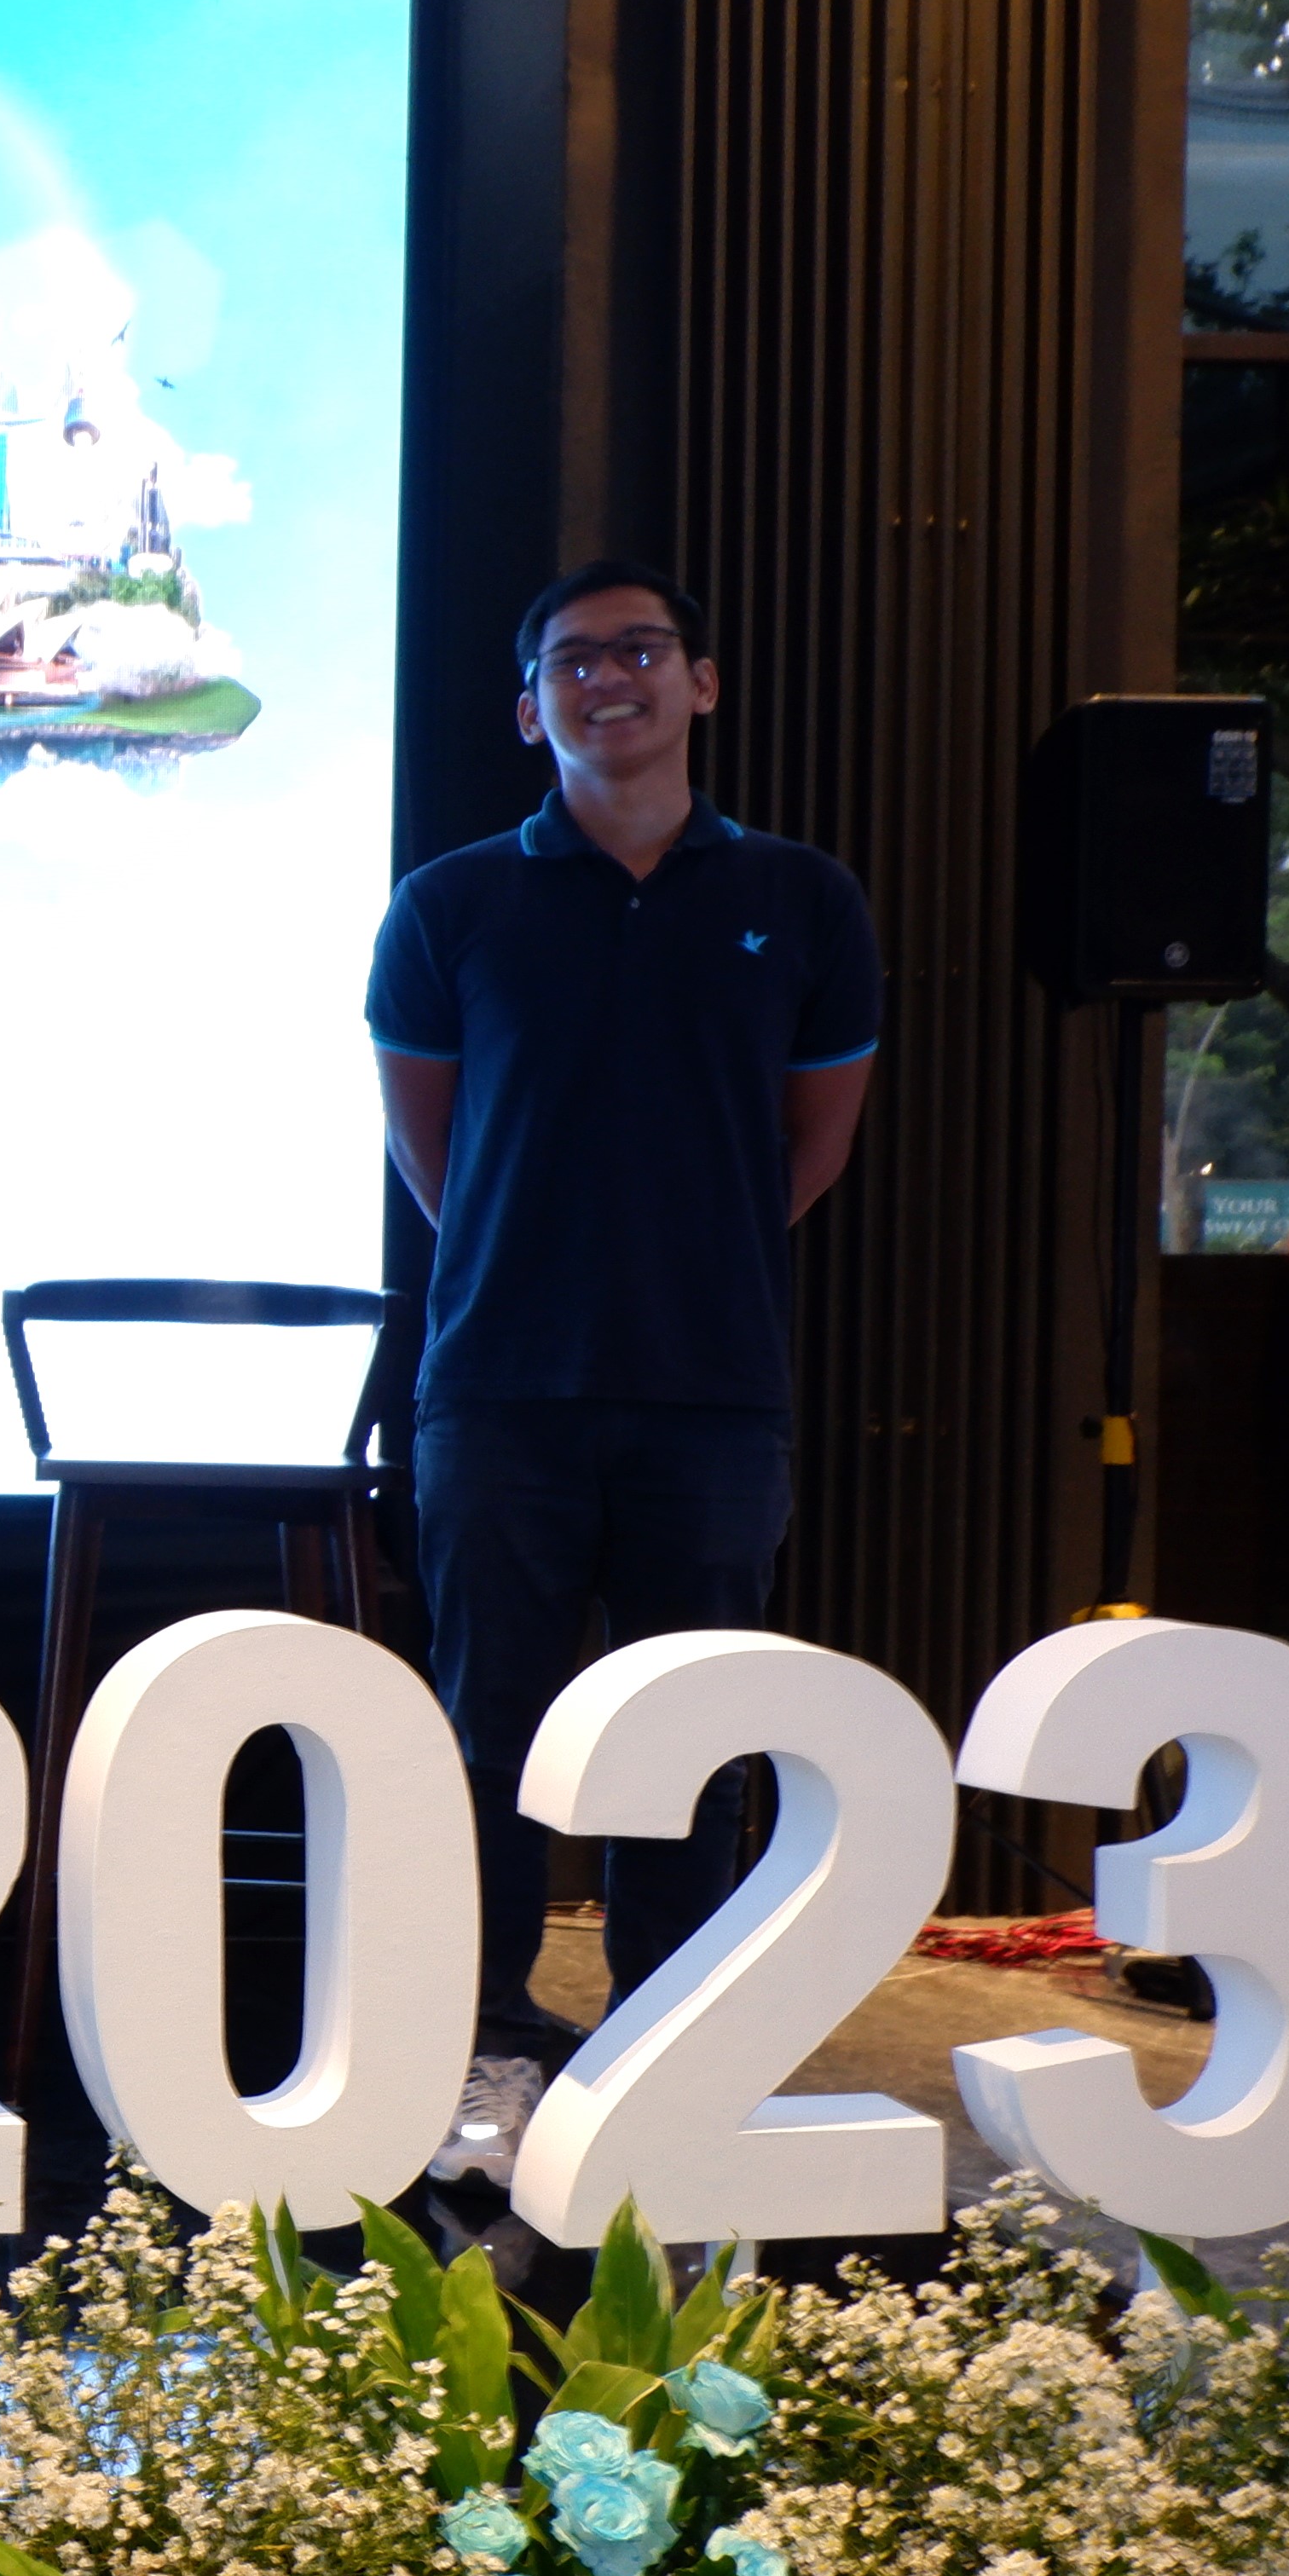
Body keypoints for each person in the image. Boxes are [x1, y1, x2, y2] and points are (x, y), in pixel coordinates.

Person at [367, 559, 877, 2190]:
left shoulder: (801, 899)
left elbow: (811, 1147)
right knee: (491, 1735)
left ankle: (667, 2060)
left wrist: (679, 1256)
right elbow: (435, 1154)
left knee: (692, 1738)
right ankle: (483, 2054)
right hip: (499, 1389)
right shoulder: (451, 905)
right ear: (531, 711)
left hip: (714, 1392)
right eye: (573, 660)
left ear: (700, 685)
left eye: (642, 651)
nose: (611, 679)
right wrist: (548, 1260)